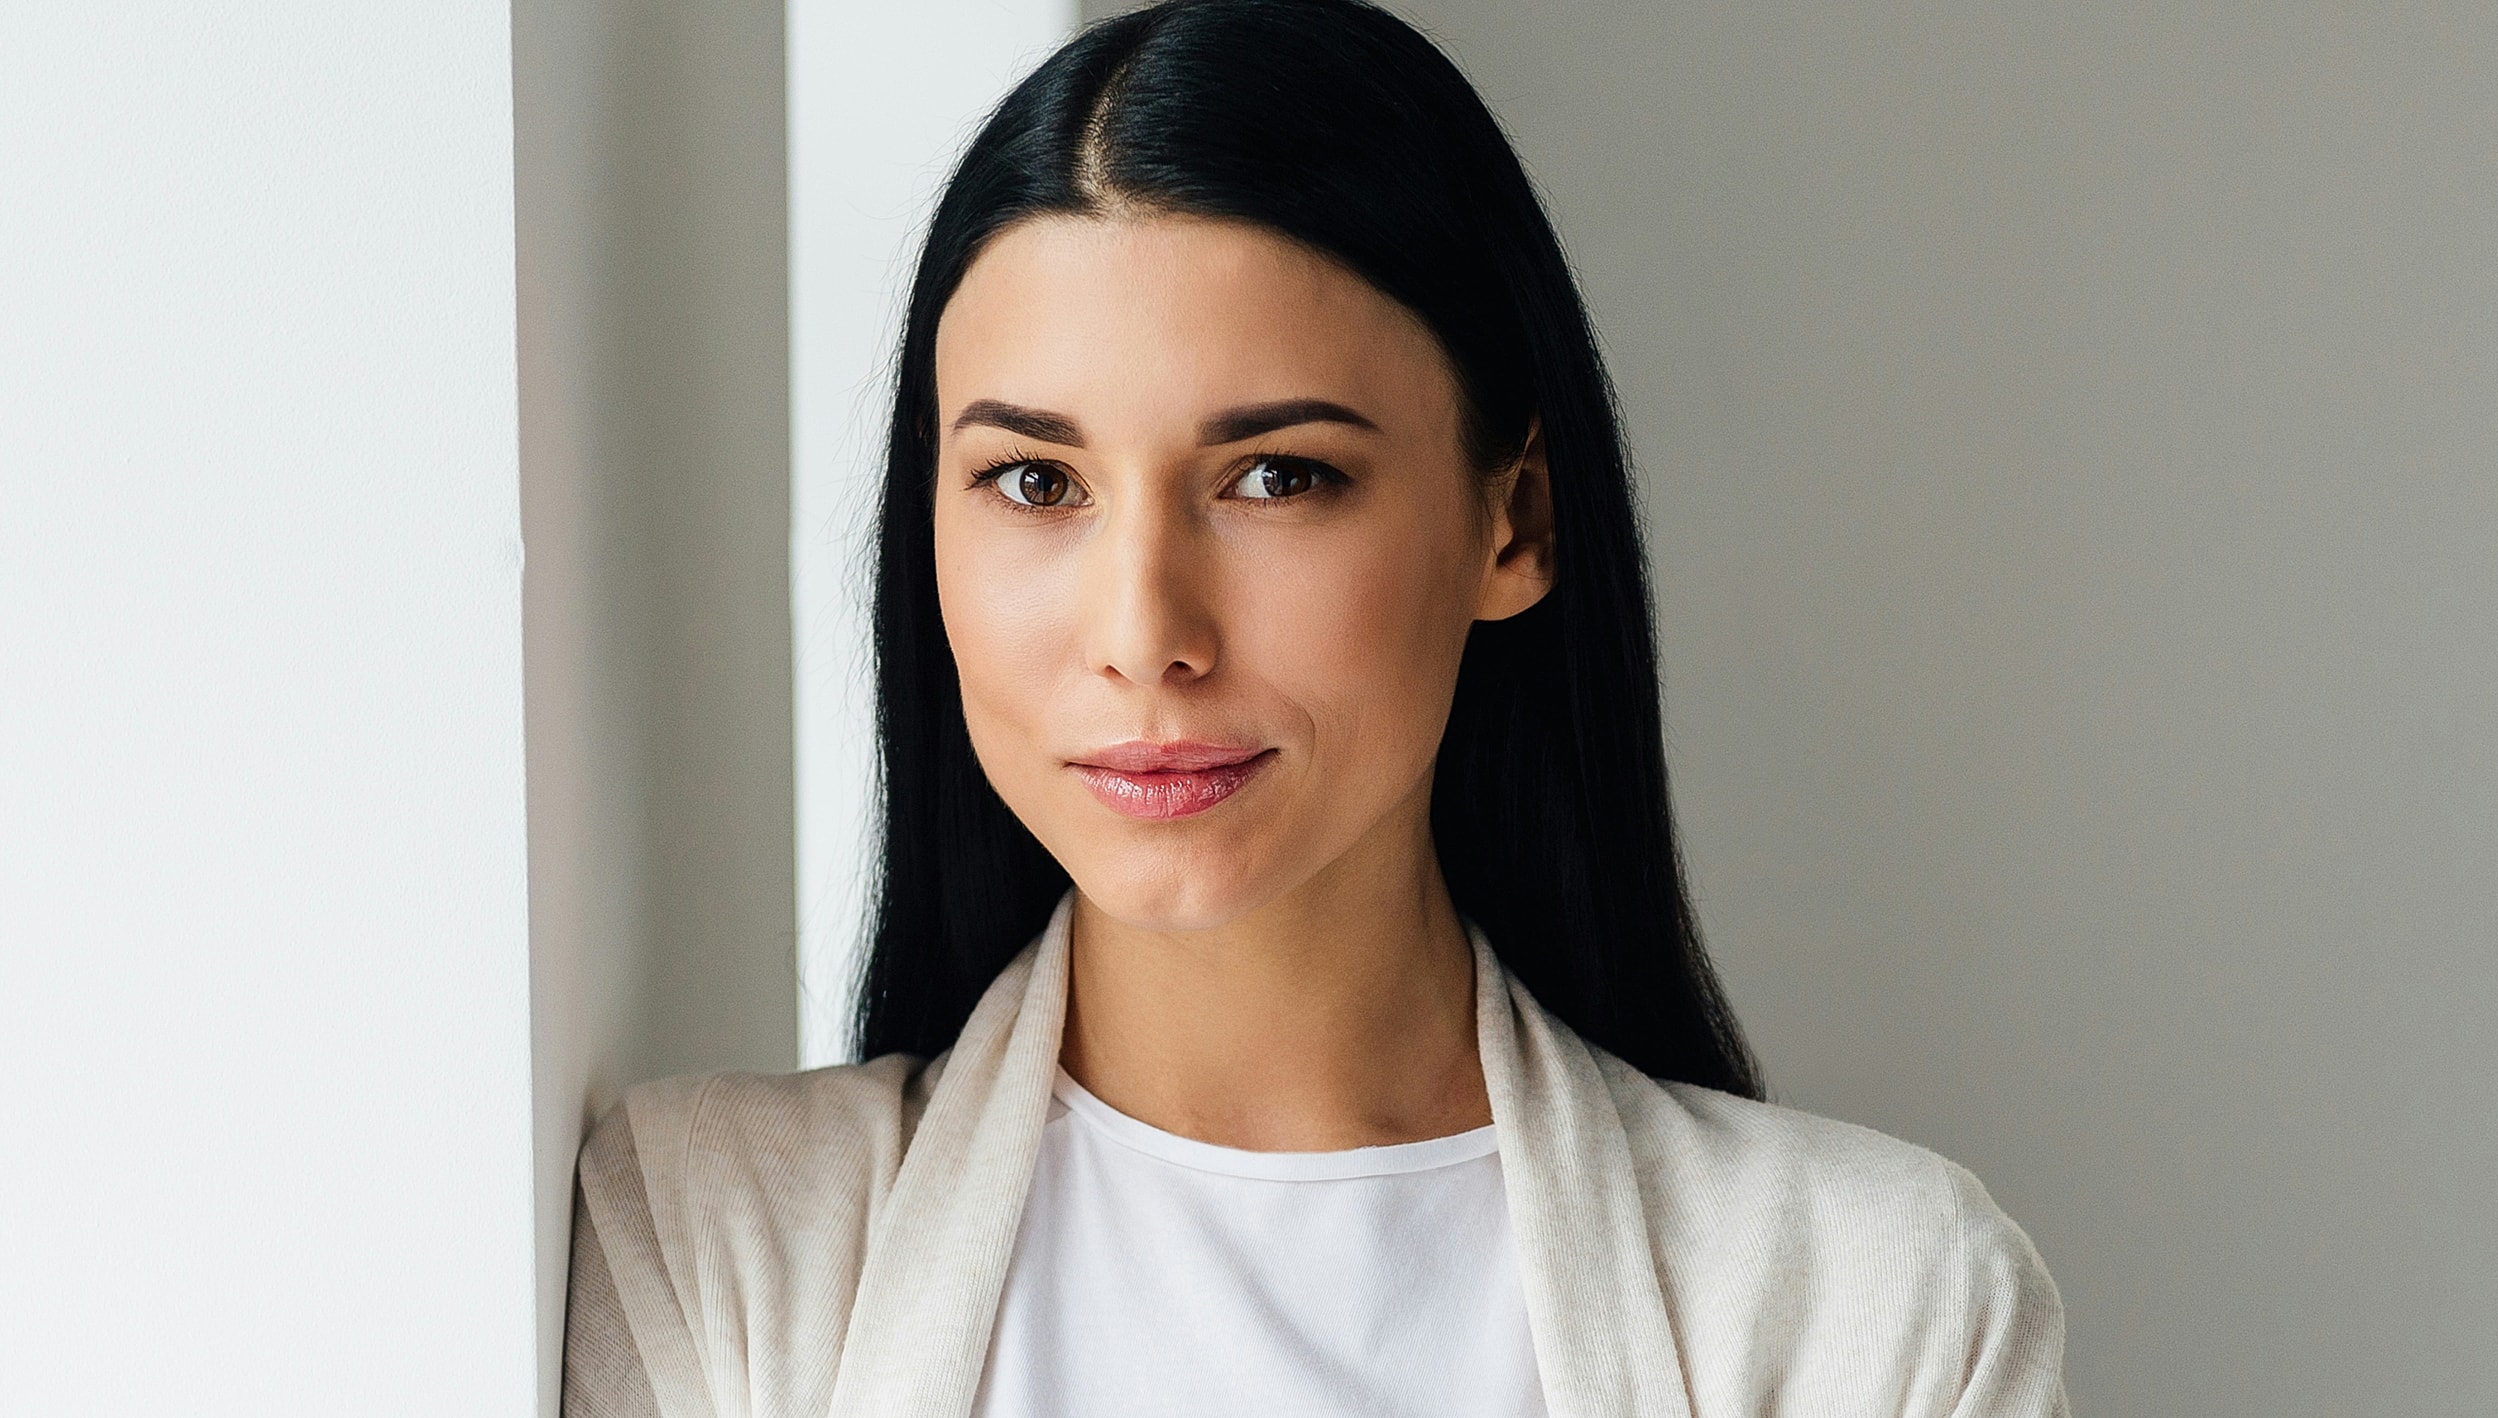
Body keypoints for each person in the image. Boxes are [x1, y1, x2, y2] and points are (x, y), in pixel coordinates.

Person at [561, 1, 2068, 1414]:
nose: (1147, 633)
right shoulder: (709, 1251)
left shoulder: (1876, 1316)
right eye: (1036, 481)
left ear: (1517, 521)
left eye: (1278, 476)